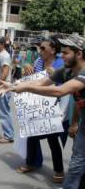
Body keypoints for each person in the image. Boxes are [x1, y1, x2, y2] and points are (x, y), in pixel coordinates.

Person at [0, 35, 85, 189]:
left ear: (79, 54)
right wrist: (14, 85)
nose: (61, 56)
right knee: (78, 162)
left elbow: (59, 91)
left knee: (78, 163)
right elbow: (42, 82)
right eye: (61, 52)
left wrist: (25, 88)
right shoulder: (67, 70)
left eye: (65, 53)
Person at [15, 36, 66, 184]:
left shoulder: (61, 63)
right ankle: (32, 163)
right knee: (32, 135)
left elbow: (66, 84)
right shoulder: (38, 61)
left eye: (43, 48)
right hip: (37, 105)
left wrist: (55, 75)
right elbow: (33, 81)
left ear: (53, 50)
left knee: (52, 139)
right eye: (39, 48)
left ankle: (59, 170)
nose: (40, 50)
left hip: (55, 106)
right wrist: (26, 69)